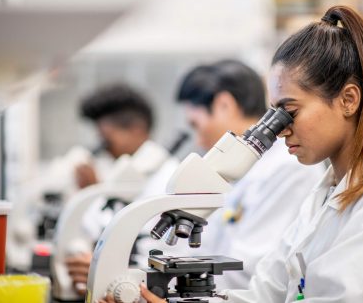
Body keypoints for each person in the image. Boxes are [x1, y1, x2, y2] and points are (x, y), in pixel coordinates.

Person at [115, 6, 363, 303]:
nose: (280, 128)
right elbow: (264, 293)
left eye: (289, 111)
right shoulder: (325, 197)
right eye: (273, 114)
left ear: (349, 100)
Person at [133, 60, 324, 290]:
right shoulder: (239, 171)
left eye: (196, 124)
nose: (197, 139)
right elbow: (205, 251)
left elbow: (249, 269)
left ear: (224, 104)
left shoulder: (288, 168)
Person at [65, 83, 180, 295]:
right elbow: (94, 232)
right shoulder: (119, 173)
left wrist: (101, 270)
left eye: (107, 140)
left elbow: (165, 255)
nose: (105, 149)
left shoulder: (172, 181)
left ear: (136, 129)